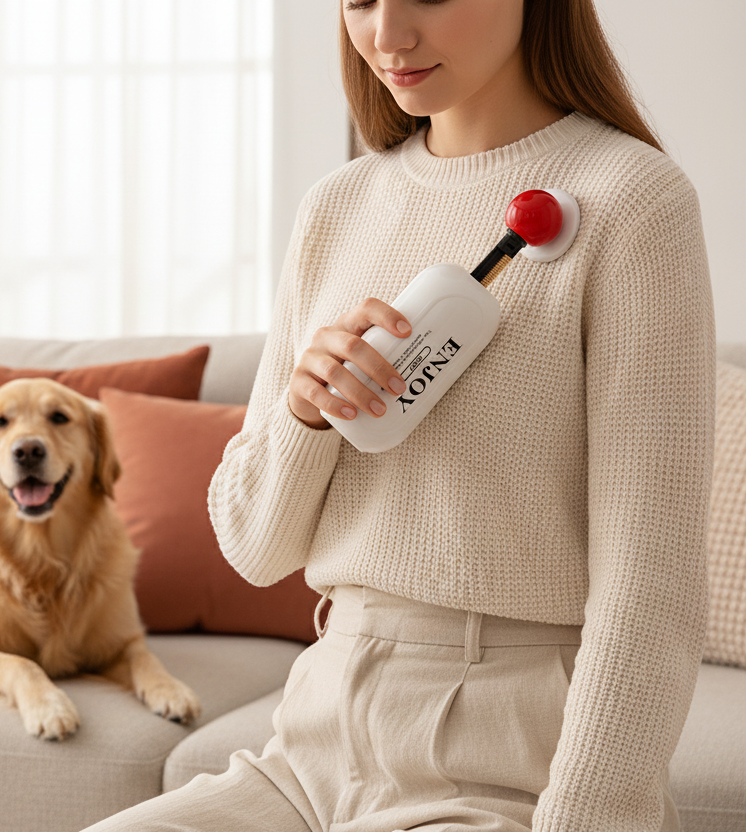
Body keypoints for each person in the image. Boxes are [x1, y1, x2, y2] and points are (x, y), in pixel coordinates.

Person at [83, 0, 714, 830]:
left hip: (505, 763)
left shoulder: (632, 201)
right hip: (309, 747)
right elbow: (255, 547)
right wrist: (305, 417)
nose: (386, 35)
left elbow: (651, 584)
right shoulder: (339, 205)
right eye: (359, 1)